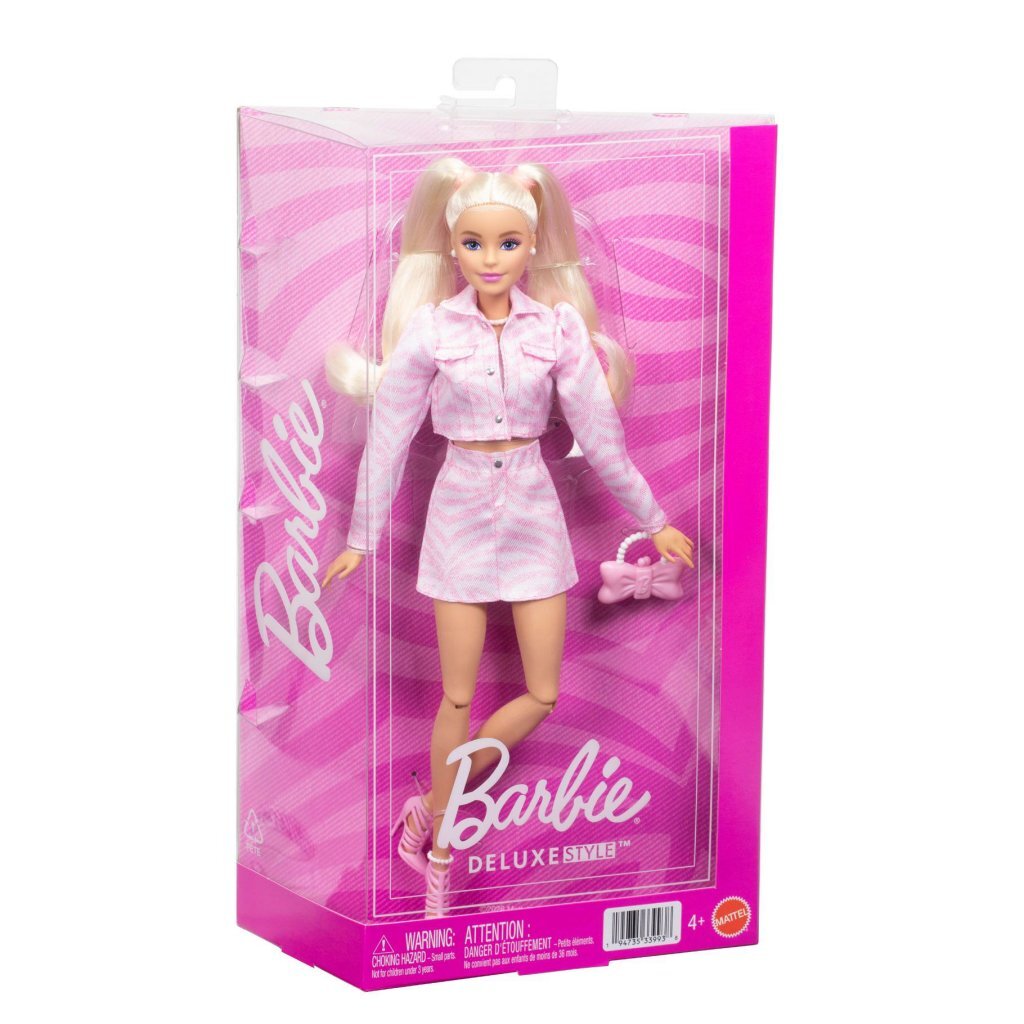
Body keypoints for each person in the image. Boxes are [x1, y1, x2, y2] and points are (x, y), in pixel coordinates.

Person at [321, 157, 693, 917]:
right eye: (474, 244)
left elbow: (603, 439)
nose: (491, 259)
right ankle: (443, 848)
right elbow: (388, 440)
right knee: (456, 695)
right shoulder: (431, 329)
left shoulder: (555, 330)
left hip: (532, 510)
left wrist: (656, 520)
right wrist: (359, 537)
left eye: (508, 243)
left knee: (543, 692)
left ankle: (434, 804)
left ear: (530, 244)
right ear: (452, 246)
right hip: (456, 514)